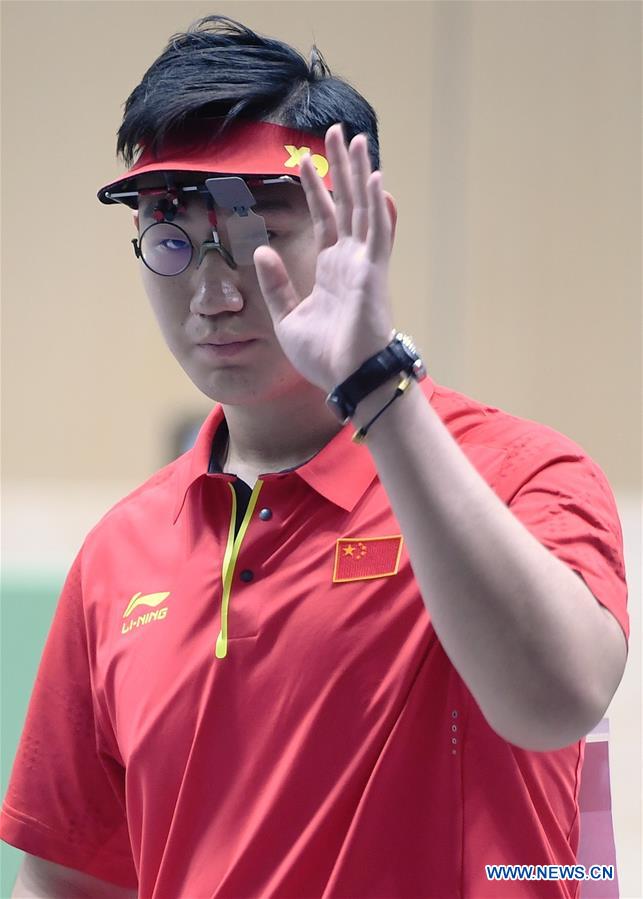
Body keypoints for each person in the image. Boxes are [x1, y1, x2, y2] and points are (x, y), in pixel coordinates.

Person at [1, 15, 629, 899]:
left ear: (357, 224)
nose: (215, 290)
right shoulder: (118, 556)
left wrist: (373, 381)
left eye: (258, 228)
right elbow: (68, 879)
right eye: (171, 234)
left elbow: (553, 700)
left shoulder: (519, 473)